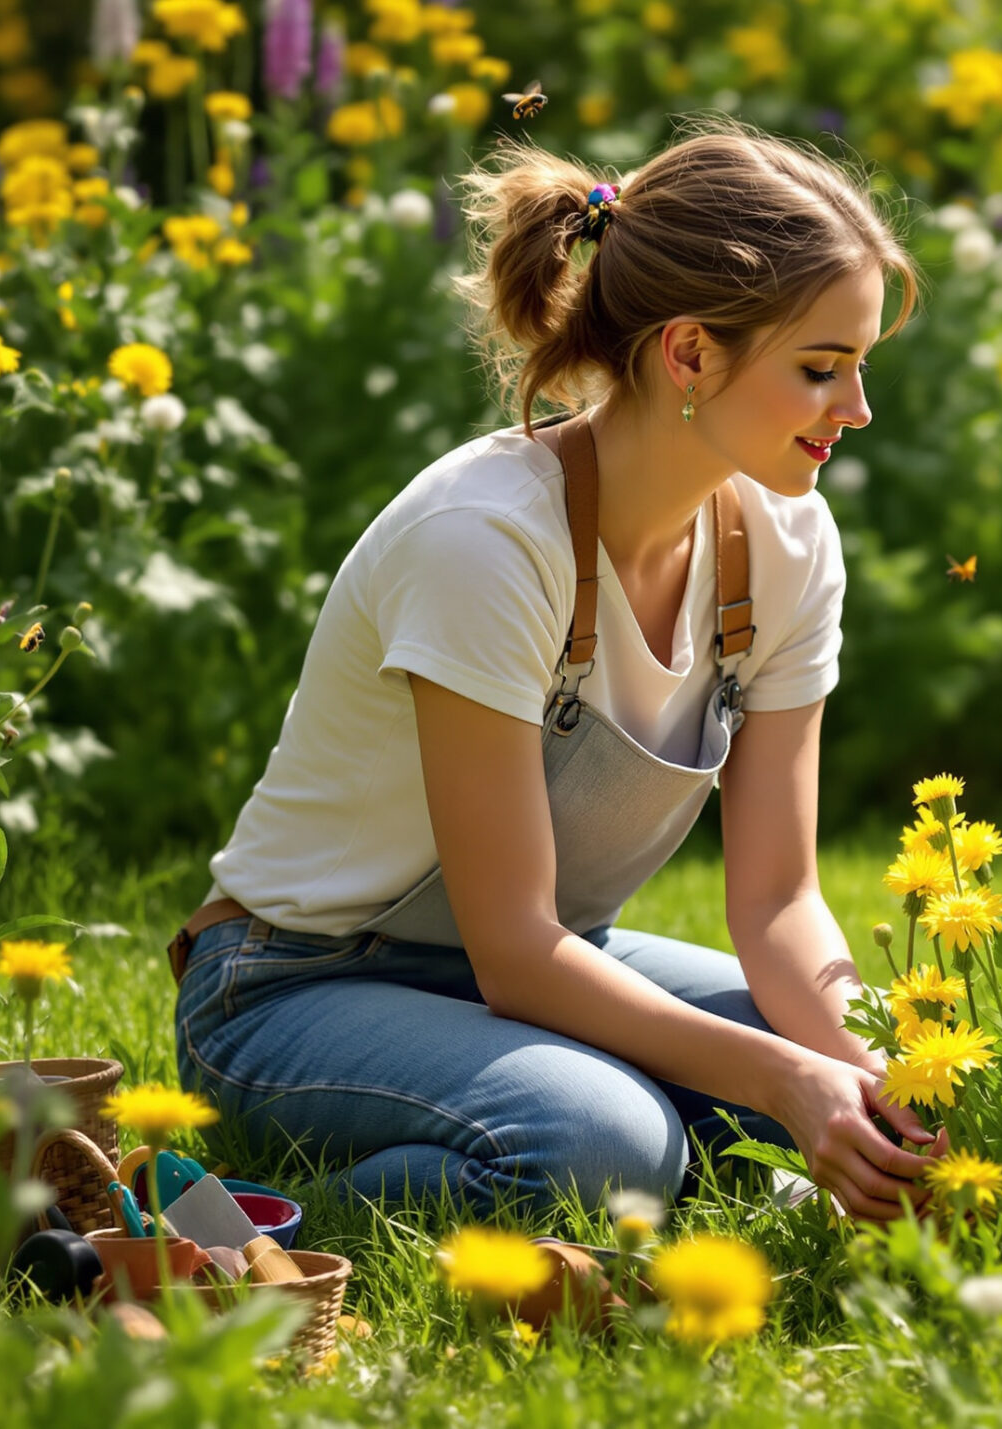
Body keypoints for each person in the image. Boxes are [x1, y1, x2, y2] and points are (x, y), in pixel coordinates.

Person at [165, 121, 942, 1222]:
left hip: (544, 965)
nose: (856, 411)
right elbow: (518, 951)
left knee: (901, 1071)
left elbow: (779, 900)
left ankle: (669, 1172)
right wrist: (780, 1079)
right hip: (299, 987)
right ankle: (204, 1226)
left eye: (859, 368)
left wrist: (876, 1080)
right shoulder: (484, 540)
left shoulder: (789, 542)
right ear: (689, 354)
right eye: (821, 369)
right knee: (605, 1141)